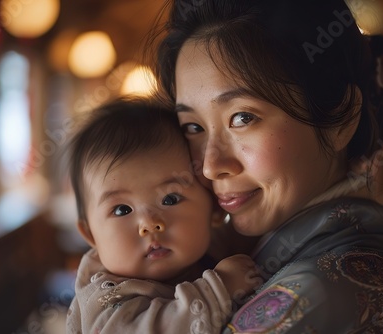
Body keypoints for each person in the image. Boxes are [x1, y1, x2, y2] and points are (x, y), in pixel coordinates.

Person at [154, 0, 383, 332]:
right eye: (193, 127)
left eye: (243, 118)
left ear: (339, 121)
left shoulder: (316, 295)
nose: (211, 166)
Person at [65, 97, 262, 333]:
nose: (149, 224)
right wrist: (217, 290)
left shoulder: (204, 246)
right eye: (122, 210)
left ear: (214, 210)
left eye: (170, 199)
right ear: (91, 235)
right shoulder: (106, 298)